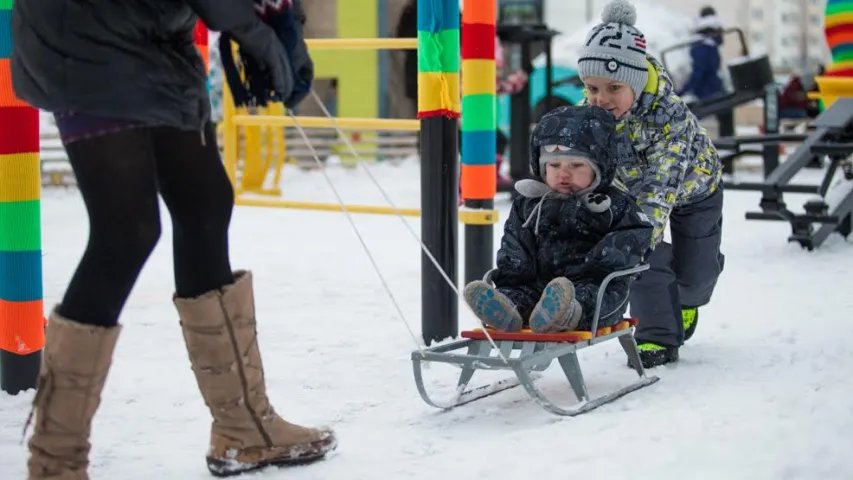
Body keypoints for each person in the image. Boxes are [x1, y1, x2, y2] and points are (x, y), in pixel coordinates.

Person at [10, 0, 336, 478]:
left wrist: (278, 22)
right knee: (126, 230)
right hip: (86, 33)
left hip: (155, 34)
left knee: (205, 204)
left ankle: (243, 430)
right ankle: (54, 462)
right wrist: (253, 30)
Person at [576, 0, 725, 368]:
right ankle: (656, 337)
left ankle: (686, 298)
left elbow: (660, 190)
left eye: (613, 88)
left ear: (637, 83)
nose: (600, 99)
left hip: (695, 189)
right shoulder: (593, 110)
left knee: (695, 274)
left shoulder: (670, 119)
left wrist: (640, 232)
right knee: (643, 256)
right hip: (631, 190)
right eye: (592, 88)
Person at [463, 105, 653, 334]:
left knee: (592, 297)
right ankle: (508, 311)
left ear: (599, 167)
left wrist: (596, 263)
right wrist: (515, 270)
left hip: (593, 284)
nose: (564, 174)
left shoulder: (614, 205)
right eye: (554, 165)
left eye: (576, 165)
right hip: (537, 287)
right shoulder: (529, 205)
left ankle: (568, 313)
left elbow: (635, 237)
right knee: (518, 292)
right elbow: (515, 243)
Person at [677, 6, 734, 138]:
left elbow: (701, 72)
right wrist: (682, 91)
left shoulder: (706, 44)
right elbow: (699, 73)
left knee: (726, 112)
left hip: (710, 90)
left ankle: (728, 144)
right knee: (725, 113)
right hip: (708, 92)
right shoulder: (703, 46)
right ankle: (727, 144)